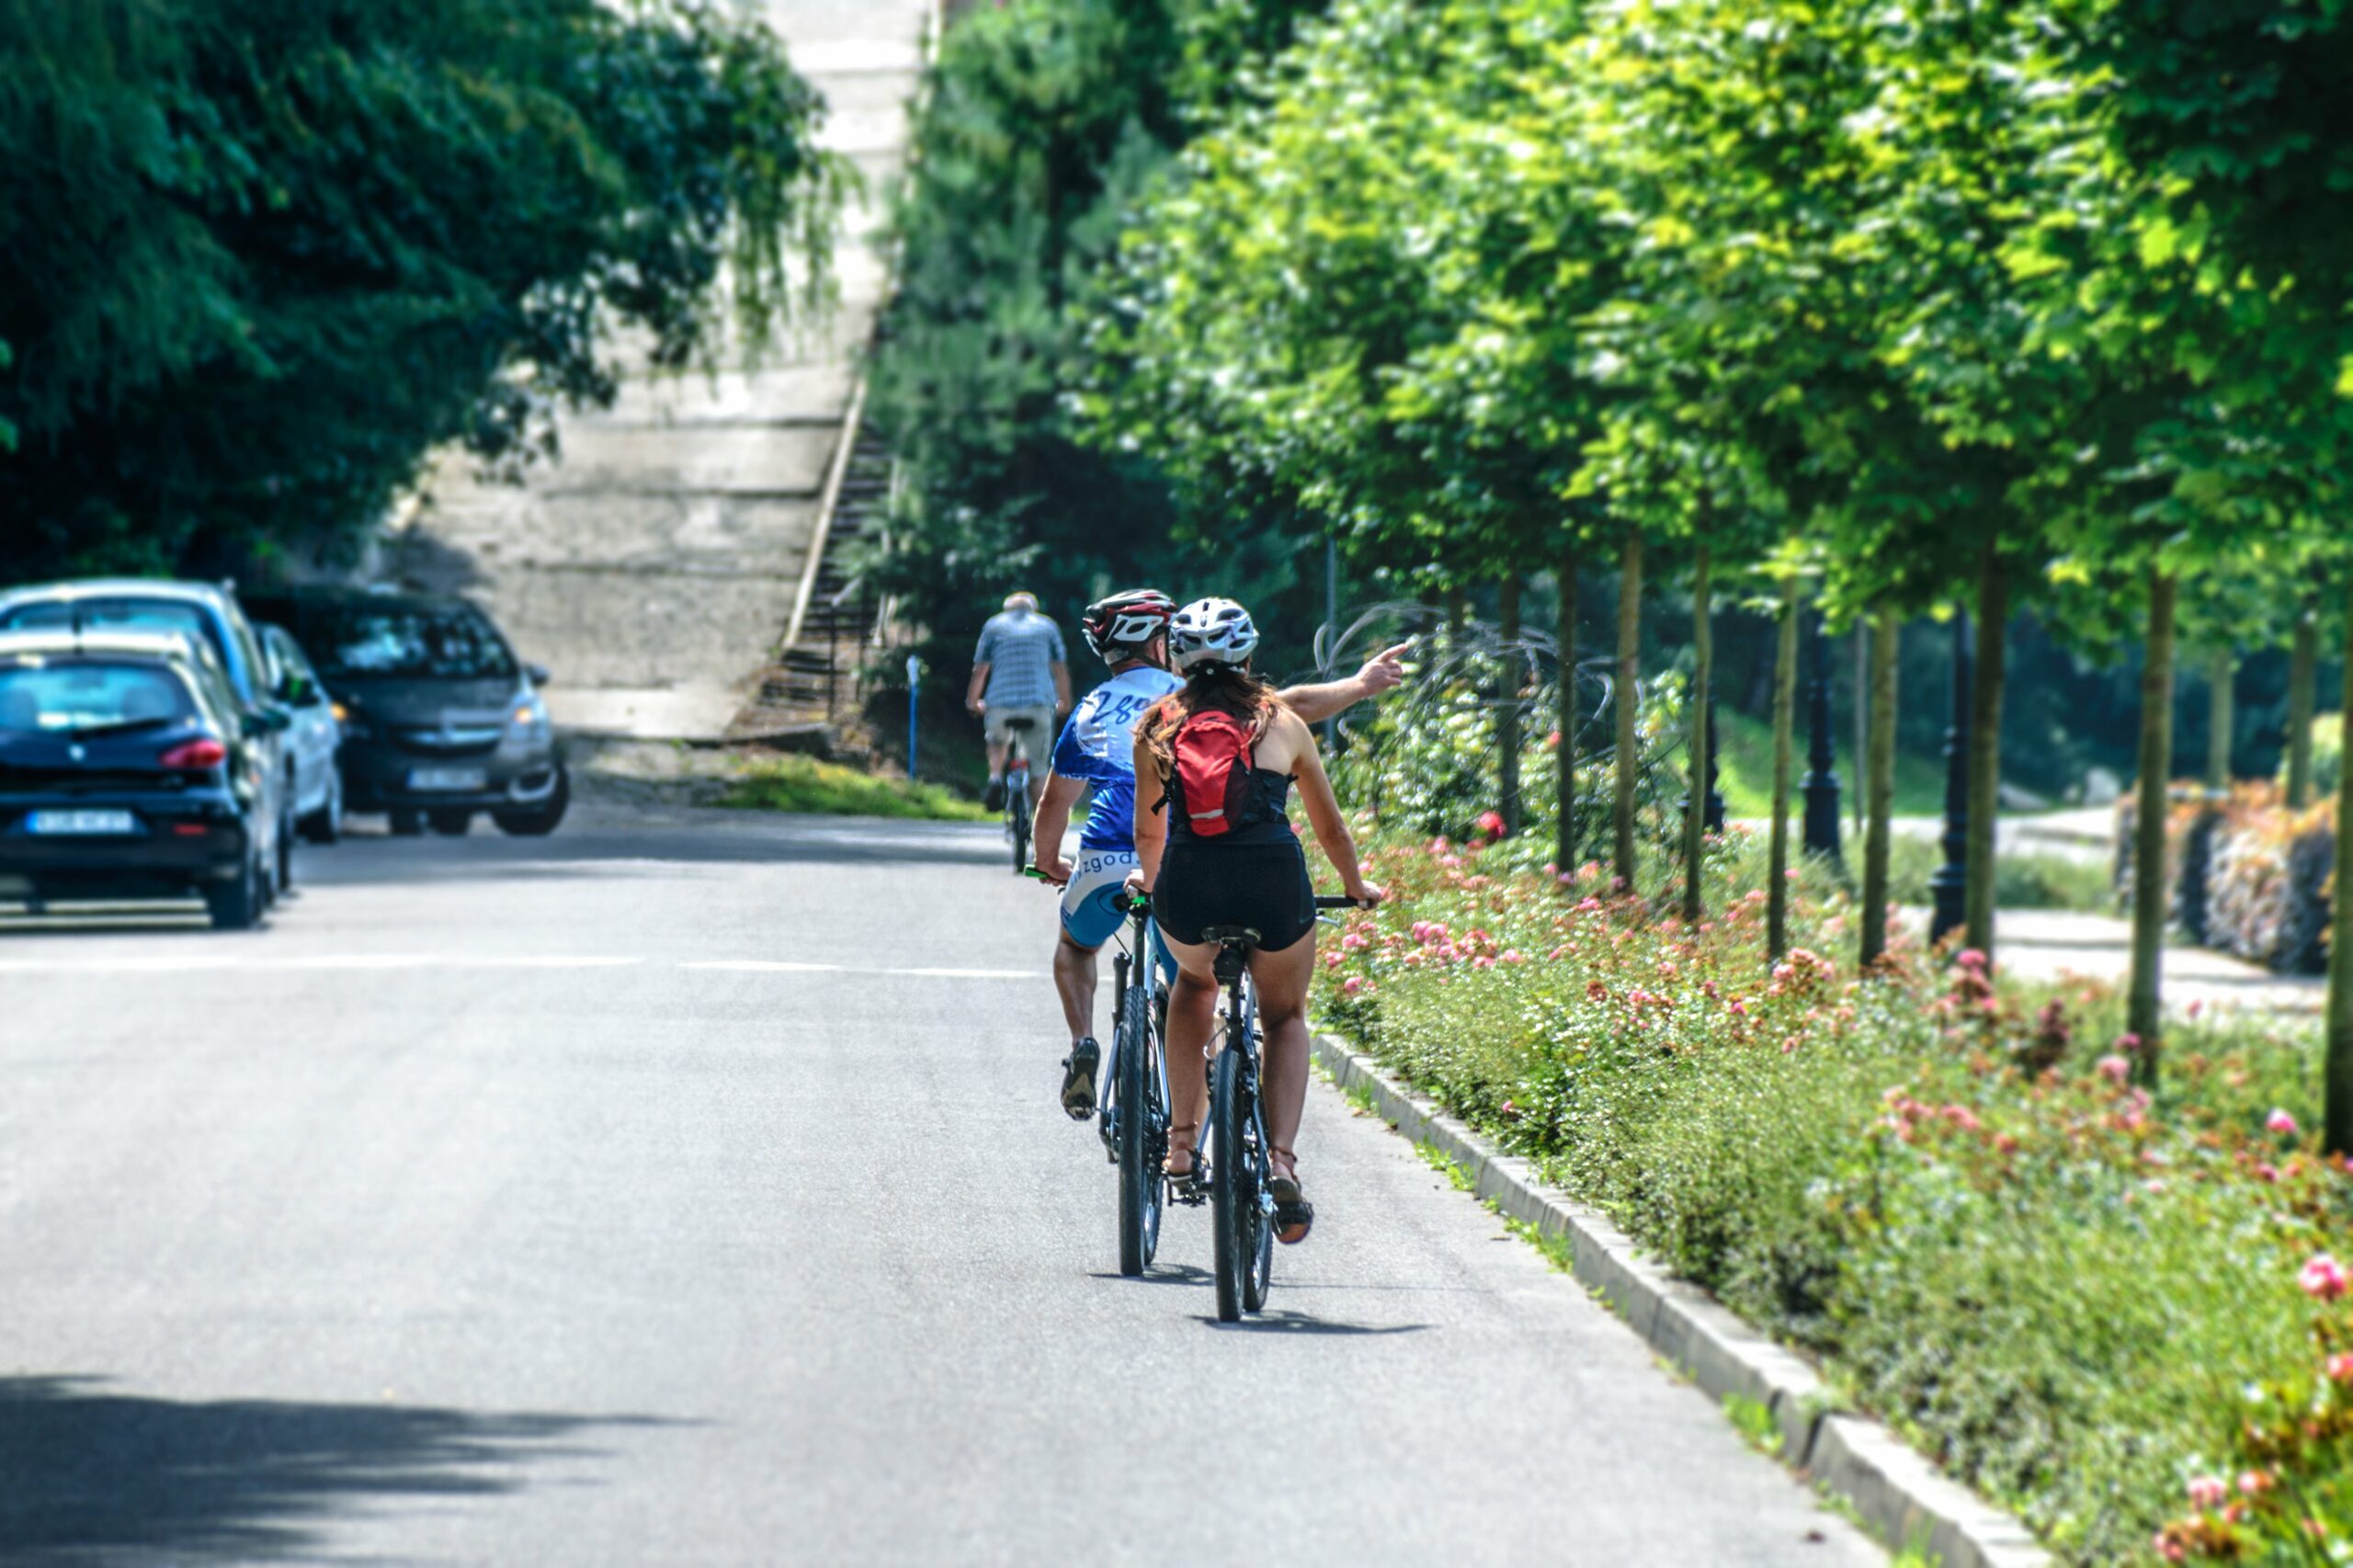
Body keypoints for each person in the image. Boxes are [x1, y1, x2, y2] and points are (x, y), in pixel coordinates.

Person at [1033, 592, 1407, 1123]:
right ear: (1161, 645)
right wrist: (1360, 685)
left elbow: (1055, 802)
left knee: (1075, 945)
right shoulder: (1188, 698)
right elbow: (1292, 706)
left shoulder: (1098, 708)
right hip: (1195, 863)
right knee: (1198, 987)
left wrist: (1048, 860)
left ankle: (1083, 1041)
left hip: (1111, 863)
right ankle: (1214, 1100)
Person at [1123, 597, 1384, 1246]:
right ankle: (1280, 1162)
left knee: (1192, 986)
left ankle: (1182, 1146)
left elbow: (1148, 833)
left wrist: (1150, 883)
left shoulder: (1155, 724)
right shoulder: (1282, 721)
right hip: (1271, 883)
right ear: (1246, 654)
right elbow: (1329, 826)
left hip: (1189, 885)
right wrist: (1356, 887)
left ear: (1176, 659)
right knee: (1285, 1018)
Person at [967, 591, 1071, 811]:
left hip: (999, 703)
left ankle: (995, 777)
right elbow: (1060, 668)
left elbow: (980, 669)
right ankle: (1037, 826)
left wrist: (973, 700)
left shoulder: (994, 626)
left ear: (1007, 609)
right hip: (1039, 703)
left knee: (996, 741)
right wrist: (1064, 701)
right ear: (1033, 608)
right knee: (1038, 770)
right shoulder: (1047, 626)